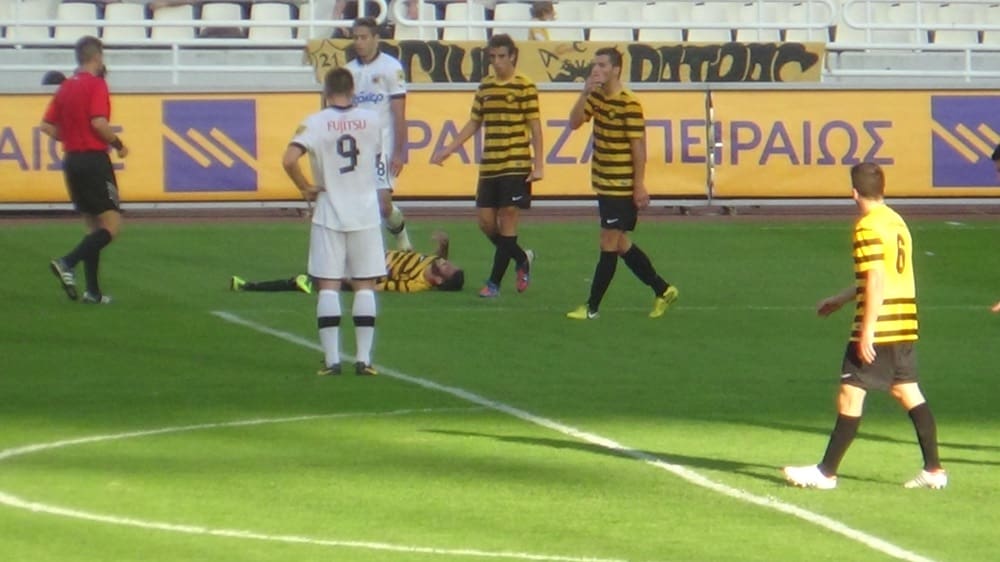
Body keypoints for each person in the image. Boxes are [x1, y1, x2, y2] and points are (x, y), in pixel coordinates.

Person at [783, 162, 947, 490]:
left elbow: (876, 280)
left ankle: (826, 472)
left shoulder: (866, 227)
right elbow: (886, 274)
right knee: (906, 390)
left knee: (850, 393)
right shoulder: (896, 221)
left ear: (853, 193)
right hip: (904, 321)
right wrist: (842, 299)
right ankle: (933, 470)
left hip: (880, 323)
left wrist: (867, 329)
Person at [282, 67, 385, 377]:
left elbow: (289, 159)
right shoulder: (372, 120)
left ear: (325, 92)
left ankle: (332, 361)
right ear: (353, 90)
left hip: (329, 211)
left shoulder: (315, 122)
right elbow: (375, 158)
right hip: (365, 211)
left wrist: (304, 186)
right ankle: (364, 360)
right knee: (364, 285)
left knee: (328, 286)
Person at [565, 47, 679, 320]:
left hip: (621, 185)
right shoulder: (596, 97)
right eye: (595, 65)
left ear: (616, 69)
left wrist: (639, 185)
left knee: (608, 242)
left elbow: (638, 147)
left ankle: (592, 307)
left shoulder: (629, 103)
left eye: (602, 65)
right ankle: (663, 289)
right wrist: (584, 93)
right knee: (620, 244)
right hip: (603, 182)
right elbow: (574, 123)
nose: (596, 70)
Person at [430, 33, 543, 298]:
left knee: (508, 220)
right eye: (492, 57)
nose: (497, 62)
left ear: (512, 56)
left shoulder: (525, 86)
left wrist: (539, 165)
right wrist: (449, 148)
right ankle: (521, 258)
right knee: (485, 223)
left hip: (515, 163)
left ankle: (493, 283)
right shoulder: (486, 87)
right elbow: (474, 122)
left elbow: (535, 127)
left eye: (501, 56)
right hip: (490, 164)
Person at [42, 36, 128, 305]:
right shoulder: (96, 84)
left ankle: (93, 292)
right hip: (93, 160)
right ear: (97, 57)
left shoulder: (66, 87)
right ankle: (67, 262)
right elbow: (99, 122)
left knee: (93, 227)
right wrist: (118, 144)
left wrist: (69, 137)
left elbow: (46, 126)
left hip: (72, 161)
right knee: (112, 225)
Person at [346, 17, 413, 251]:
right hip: (356, 147)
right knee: (359, 204)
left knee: (383, 205)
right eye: (356, 37)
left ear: (376, 38)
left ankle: (401, 236)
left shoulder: (391, 68)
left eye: (364, 37)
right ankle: (370, 252)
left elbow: (399, 113)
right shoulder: (349, 71)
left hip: (382, 146)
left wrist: (399, 152)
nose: (359, 42)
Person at [230, 231, 465, 294]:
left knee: (312, 279)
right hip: (364, 252)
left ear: (437, 281)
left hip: (360, 266)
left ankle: (248, 286)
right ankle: (308, 281)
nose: (445, 262)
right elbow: (439, 258)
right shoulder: (434, 263)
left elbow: (375, 286)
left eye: (447, 267)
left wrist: (347, 280)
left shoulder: (413, 284)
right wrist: (443, 245)